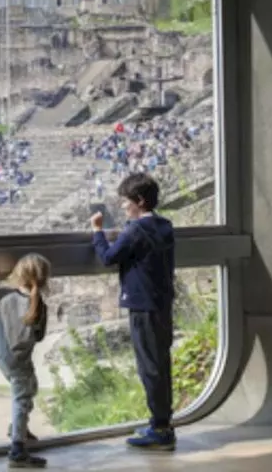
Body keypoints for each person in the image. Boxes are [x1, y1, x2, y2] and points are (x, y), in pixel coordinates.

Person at [91, 172, 177, 452]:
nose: (123, 206)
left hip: (143, 306)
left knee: (149, 367)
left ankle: (161, 429)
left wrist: (97, 232)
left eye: (126, 201)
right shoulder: (165, 226)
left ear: (139, 201)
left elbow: (107, 258)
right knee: (161, 364)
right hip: (162, 302)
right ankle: (161, 422)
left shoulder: (135, 231)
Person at [0, 254, 51, 469]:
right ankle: (17, 448)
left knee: (30, 386)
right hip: (19, 358)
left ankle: (19, 426)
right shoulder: (39, 305)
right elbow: (40, 336)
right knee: (22, 397)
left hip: (1, 353)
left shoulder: (3, 295)